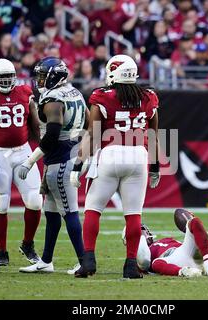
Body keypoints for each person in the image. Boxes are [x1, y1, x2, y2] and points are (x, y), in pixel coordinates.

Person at [70, 54, 161, 279]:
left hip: (110, 155)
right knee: (133, 214)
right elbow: (154, 134)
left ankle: (88, 260)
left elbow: (92, 134)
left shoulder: (103, 96)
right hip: (139, 156)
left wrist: (78, 163)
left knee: (93, 208)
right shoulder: (148, 96)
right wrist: (155, 166)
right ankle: (131, 265)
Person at [17, 57, 89, 274]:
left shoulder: (54, 98)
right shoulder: (73, 91)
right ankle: (46, 260)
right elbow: (87, 122)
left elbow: (52, 135)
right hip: (68, 154)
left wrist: (30, 161)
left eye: (42, 76)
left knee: (70, 212)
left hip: (60, 160)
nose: (38, 80)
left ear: (53, 76)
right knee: (51, 212)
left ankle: (84, 261)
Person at [0, 58, 42, 266]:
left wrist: (43, 146)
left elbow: (34, 123)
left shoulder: (25, 92)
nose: (6, 81)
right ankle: (1, 251)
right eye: (1, 77)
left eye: (9, 76)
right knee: (2, 203)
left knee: (35, 201)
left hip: (23, 150)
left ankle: (28, 243)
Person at [125, 209, 208, 277]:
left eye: (143, 231)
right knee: (156, 263)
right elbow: (143, 263)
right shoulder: (140, 255)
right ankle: (183, 271)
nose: (144, 233)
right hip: (173, 261)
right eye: (140, 232)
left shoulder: (165, 240)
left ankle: (207, 263)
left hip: (185, 252)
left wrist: (189, 227)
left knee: (194, 222)